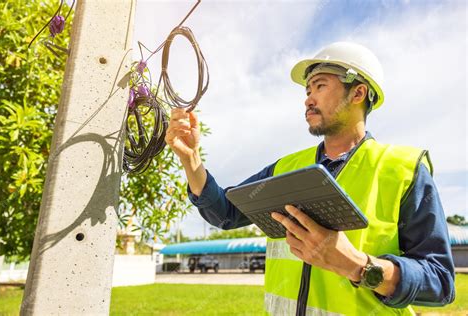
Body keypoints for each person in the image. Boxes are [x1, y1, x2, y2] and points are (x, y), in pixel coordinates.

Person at [165, 42, 455, 315]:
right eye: (307, 91)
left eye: (320, 86)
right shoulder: (287, 168)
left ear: (358, 93)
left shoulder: (403, 169)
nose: (308, 99)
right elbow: (225, 212)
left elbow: (440, 282)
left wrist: (357, 266)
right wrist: (191, 159)